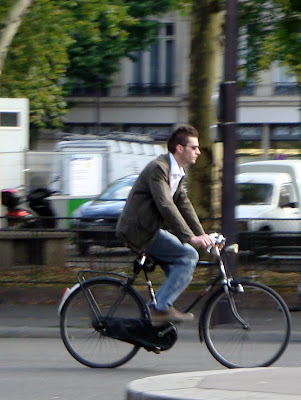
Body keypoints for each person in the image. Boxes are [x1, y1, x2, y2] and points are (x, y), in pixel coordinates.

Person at [116, 124, 216, 324]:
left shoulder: (176, 172)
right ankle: (159, 309)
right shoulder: (159, 169)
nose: (198, 152)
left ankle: (157, 320)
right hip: (140, 231)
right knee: (188, 255)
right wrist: (190, 238)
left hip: (149, 229)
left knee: (180, 269)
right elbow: (166, 205)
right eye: (194, 147)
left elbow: (184, 206)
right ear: (180, 148)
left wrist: (204, 236)